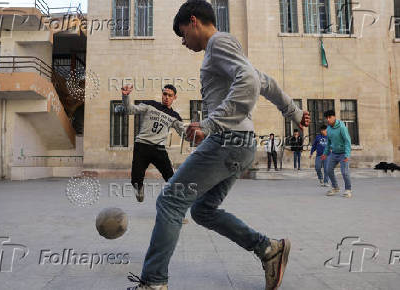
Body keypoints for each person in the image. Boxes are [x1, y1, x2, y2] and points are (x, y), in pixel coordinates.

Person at [126, 1, 310, 290]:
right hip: (240, 144)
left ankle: (153, 282)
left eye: (182, 33)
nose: (183, 41)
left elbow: (250, 80)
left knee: (170, 200)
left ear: (194, 21)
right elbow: (266, 82)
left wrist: (211, 124)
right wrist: (294, 112)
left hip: (228, 141)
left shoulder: (218, 43)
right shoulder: (225, 48)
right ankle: (269, 249)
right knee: (202, 210)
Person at [119, 84, 185, 203]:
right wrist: (125, 96)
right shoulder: (151, 105)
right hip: (142, 146)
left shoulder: (175, 117)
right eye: (164, 94)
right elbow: (129, 109)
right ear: (162, 94)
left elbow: (185, 133)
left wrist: (199, 133)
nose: (166, 97)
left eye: (170, 95)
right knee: (135, 180)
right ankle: (139, 189)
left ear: (174, 97)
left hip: (159, 149)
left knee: (172, 179)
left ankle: (177, 208)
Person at [321, 110, 352, 198]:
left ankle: (348, 190)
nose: (328, 119)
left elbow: (347, 141)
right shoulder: (328, 129)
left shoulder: (342, 127)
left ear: (334, 117)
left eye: (330, 117)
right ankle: (335, 187)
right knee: (328, 170)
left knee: (344, 172)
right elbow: (328, 143)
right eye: (327, 118)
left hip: (343, 154)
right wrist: (325, 153)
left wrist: (347, 154)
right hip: (334, 153)